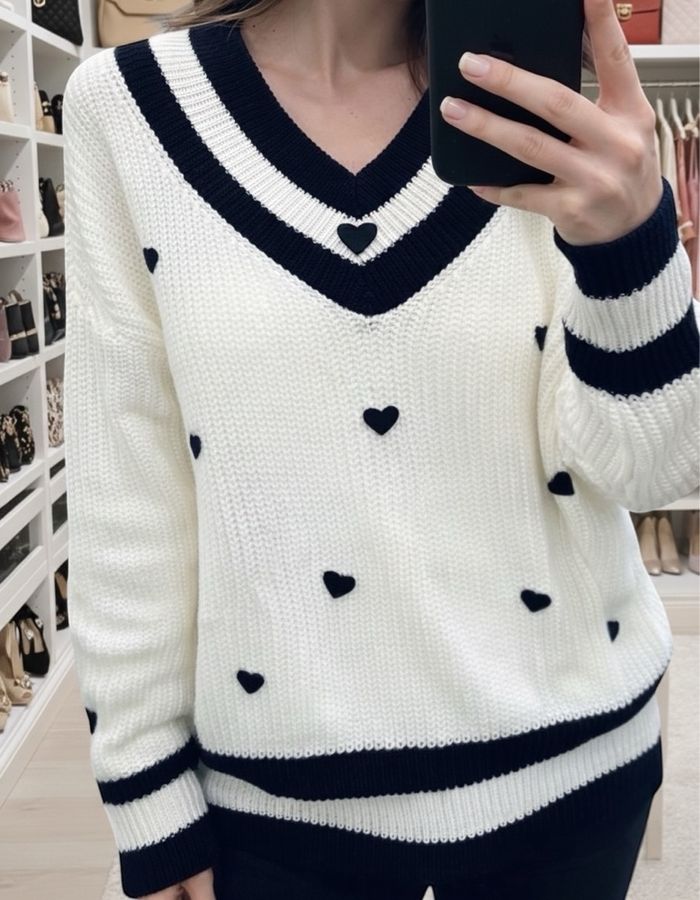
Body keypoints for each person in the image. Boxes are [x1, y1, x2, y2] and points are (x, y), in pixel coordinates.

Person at [61, 0, 700, 898]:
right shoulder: (126, 109)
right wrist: (144, 791)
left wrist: (630, 246)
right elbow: (128, 488)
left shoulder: (541, 106)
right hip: (276, 803)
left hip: (575, 774)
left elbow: (654, 466)